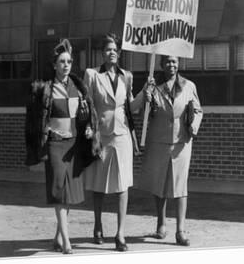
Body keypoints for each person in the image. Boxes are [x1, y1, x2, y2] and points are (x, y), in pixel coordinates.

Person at [25, 39, 100, 255]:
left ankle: (58, 236)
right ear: (54, 65)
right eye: (62, 61)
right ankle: (67, 241)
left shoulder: (78, 87)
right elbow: (35, 119)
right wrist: (45, 131)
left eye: (69, 61)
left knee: (69, 193)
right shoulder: (45, 90)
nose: (66, 65)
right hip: (56, 146)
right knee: (58, 189)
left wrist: (88, 129)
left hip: (74, 145)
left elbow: (86, 117)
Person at [134, 55, 203, 246]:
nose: (171, 65)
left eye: (174, 61)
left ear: (178, 64)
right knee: (160, 184)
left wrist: (194, 127)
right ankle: (161, 224)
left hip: (182, 142)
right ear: (161, 64)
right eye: (167, 62)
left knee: (181, 186)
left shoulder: (189, 86)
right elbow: (143, 115)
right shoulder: (153, 86)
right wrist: (146, 99)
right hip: (158, 142)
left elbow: (197, 110)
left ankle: (180, 230)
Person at [83, 33, 137, 252]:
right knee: (99, 185)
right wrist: (88, 127)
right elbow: (86, 105)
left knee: (122, 185)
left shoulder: (127, 77)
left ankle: (120, 233)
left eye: (115, 49)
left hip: (122, 136)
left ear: (119, 53)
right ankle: (97, 224)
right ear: (102, 53)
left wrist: (146, 93)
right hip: (101, 136)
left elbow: (131, 108)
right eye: (107, 49)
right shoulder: (93, 75)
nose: (111, 52)